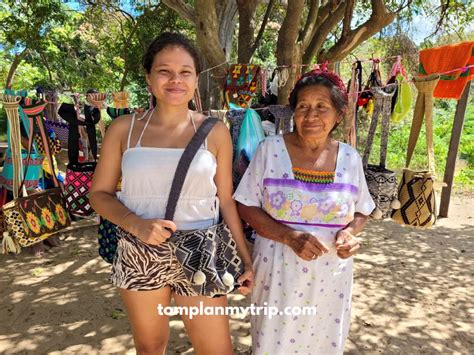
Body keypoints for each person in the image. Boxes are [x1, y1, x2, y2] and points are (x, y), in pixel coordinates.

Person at [89, 32, 254, 354]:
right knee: (150, 347)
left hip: (202, 250)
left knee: (216, 349)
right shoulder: (124, 129)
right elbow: (99, 194)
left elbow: (226, 202)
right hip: (140, 251)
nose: (175, 80)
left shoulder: (214, 132)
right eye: (164, 71)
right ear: (149, 77)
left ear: (195, 80)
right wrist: (137, 224)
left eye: (185, 72)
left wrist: (245, 258)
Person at [234, 69, 375, 354]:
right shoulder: (269, 149)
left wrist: (349, 233)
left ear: (338, 114)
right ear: (293, 113)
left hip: (331, 276)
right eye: (303, 107)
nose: (311, 116)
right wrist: (289, 237)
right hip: (276, 271)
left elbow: (362, 210)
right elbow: (245, 203)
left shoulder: (350, 158)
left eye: (322, 107)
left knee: (323, 343)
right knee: (273, 343)